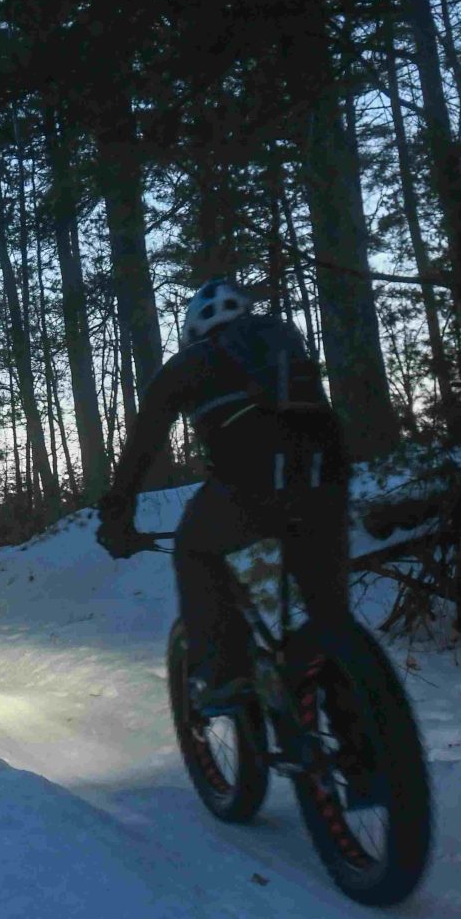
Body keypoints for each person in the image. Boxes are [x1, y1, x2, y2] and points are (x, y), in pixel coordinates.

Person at [96, 279, 351, 706]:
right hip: (327, 478)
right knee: (331, 624)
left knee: (194, 550)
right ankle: (361, 734)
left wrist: (118, 514)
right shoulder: (283, 340)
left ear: (194, 329)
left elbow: (144, 444)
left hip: (250, 487)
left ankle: (223, 674)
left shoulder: (189, 362)